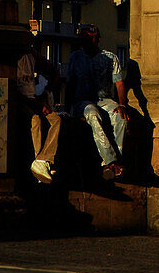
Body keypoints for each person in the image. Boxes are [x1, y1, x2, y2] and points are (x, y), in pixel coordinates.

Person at [66, 24, 127, 179]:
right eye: (84, 38)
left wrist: (122, 104)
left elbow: (119, 83)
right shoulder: (75, 57)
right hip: (83, 101)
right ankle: (110, 161)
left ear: (98, 39)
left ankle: (116, 160)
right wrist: (68, 108)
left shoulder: (110, 57)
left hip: (105, 100)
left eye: (90, 38)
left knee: (120, 118)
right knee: (92, 114)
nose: (87, 41)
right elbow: (70, 84)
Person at [17, 40, 62, 184]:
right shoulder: (15, 58)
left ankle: (43, 159)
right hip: (20, 100)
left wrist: (46, 91)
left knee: (56, 119)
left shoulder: (33, 56)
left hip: (33, 99)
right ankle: (38, 160)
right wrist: (37, 104)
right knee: (35, 120)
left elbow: (53, 71)